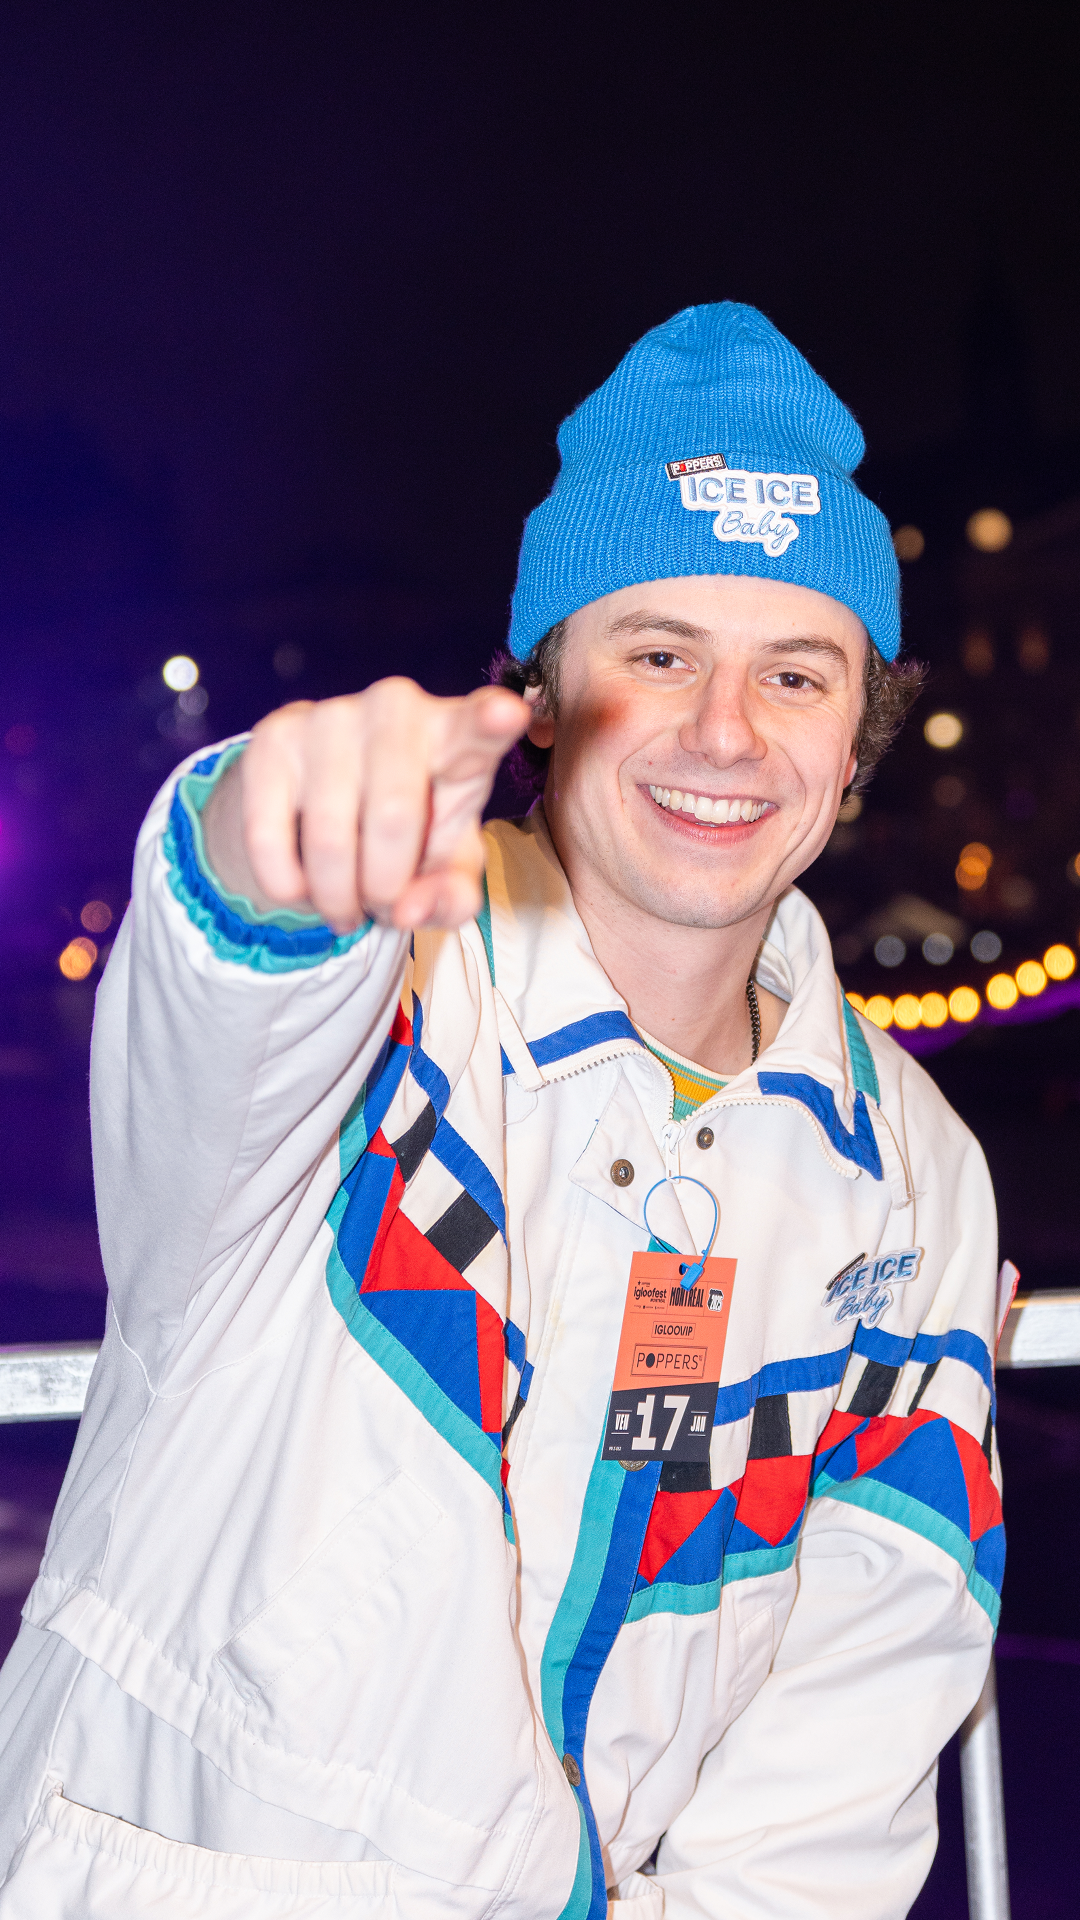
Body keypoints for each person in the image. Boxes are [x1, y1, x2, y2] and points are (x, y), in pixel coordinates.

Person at [0, 305, 1004, 1920]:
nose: (726, 732)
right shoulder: (374, 995)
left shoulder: (917, 1189)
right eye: (659, 653)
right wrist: (270, 838)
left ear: (856, 735)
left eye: (794, 673)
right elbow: (228, 994)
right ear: (546, 691)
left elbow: (832, 1783)